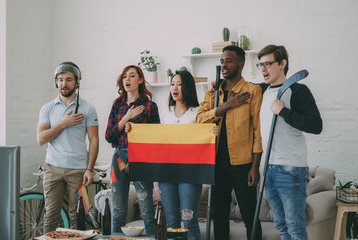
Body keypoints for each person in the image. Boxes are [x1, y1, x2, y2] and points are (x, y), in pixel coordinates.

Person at [196, 45, 263, 240]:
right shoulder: (214, 93)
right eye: (222, 61)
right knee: (219, 214)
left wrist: (255, 166)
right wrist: (225, 106)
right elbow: (200, 119)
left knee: (249, 213)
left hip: (242, 164)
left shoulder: (252, 91)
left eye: (229, 61)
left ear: (240, 64)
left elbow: (258, 130)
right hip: (216, 164)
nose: (224, 65)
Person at [257, 45, 322, 240]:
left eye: (268, 64)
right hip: (268, 168)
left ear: (282, 63)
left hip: (291, 168)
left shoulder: (298, 90)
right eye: (261, 65)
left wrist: (284, 111)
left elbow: (315, 125)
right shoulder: (262, 91)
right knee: (282, 226)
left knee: (295, 227)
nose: (263, 69)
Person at [37, 62, 99, 233]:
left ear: (77, 82)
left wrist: (90, 169)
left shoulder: (88, 108)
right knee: (50, 216)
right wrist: (63, 124)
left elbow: (94, 140)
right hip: (52, 168)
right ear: (56, 82)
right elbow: (41, 139)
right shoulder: (47, 108)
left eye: (69, 80)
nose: (64, 84)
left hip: (78, 169)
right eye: (60, 79)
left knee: (78, 216)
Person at [158, 70, 218, 240]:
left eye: (179, 84)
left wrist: (213, 132)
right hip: (166, 173)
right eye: (172, 84)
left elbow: (206, 137)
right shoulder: (164, 112)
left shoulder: (197, 112)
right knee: (171, 223)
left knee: (189, 221)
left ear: (188, 87)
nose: (175, 88)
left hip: (190, 174)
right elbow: (155, 139)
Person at [105, 65, 160, 235]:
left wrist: (136, 131)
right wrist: (126, 119)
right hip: (119, 158)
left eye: (132, 76)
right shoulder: (117, 105)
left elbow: (156, 138)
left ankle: (151, 237)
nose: (127, 80)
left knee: (146, 209)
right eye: (124, 77)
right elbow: (109, 136)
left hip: (141, 160)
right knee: (119, 209)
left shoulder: (150, 106)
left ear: (141, 79)